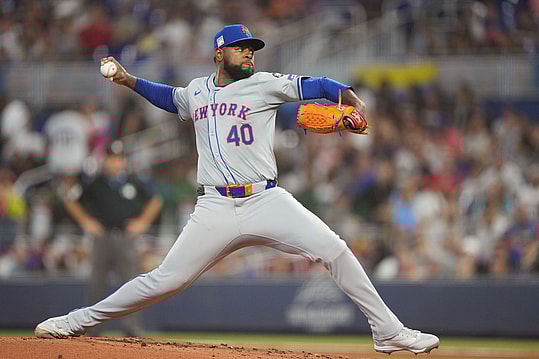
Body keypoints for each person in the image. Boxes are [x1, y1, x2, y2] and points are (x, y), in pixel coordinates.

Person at [34, 24, 439, 354]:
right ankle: (76, 321)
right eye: (241, 49)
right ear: (219, 54)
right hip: (214, 207)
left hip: (266, 199)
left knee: (334, 249)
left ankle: (387, 331)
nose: (249, 54)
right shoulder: (195, 91)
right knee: (164, 281)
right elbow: (168, 96)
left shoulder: (263, 84)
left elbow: (315, 84)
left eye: (251, 49)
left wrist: (348, 94)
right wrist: (128, 80)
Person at [61, 140, 163, 336]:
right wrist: (86, 221)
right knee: (97, 284)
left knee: (132, 283)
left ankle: (131, 327)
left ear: (123, 160)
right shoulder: (95, 182)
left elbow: (156, 200)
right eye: (111, 158)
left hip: (126, 237)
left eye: (118, 158)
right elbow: (71, 201)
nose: (114, 162)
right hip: (102, 237)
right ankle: (92, 328)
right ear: (105, 160)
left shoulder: (133, 181)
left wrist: (142, 222)